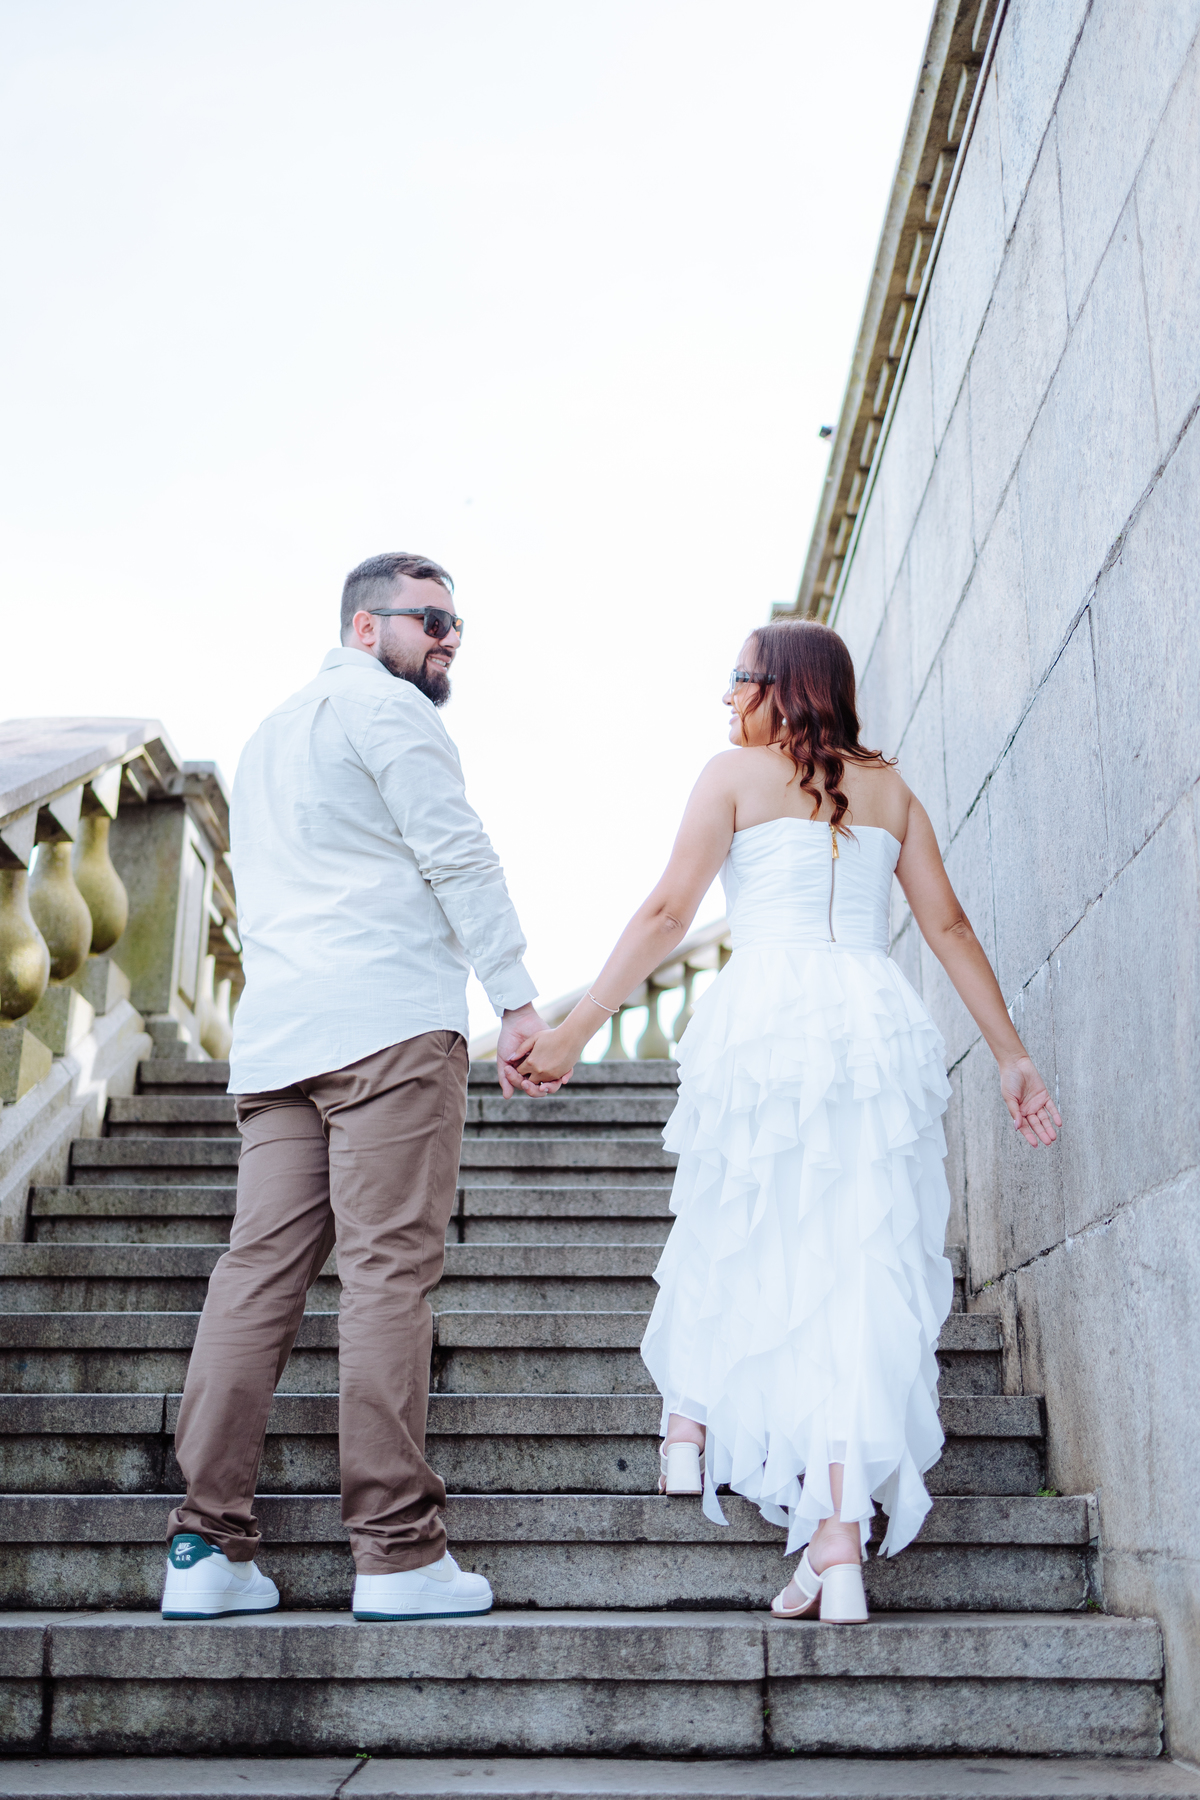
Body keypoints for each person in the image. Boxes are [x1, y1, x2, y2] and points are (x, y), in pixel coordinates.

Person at [518, 618, 1060, 1624]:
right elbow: (948, 927)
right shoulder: (891, 791)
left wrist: (574, 1028)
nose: (726, 699)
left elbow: (668, 913)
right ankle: (837, 1541)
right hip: (869, 1027)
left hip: (765, 1021)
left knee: (746, 1229)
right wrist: (1011, 1056)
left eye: (736, 680)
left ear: (780, 686)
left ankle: (693, 1419)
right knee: (856, 1270)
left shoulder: (732, 775)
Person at [161, 551, 565, 1624]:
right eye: (427, 618)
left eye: (456, 625)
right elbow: (457, 853)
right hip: (386, 1025)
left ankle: (206, 1547)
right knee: (388, 1275)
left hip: (284, 1037)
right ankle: (394, 1556)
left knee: (256, 1276)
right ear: (360, 627)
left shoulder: (268, 737)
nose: (445, 639)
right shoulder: (390, 713)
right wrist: (519, 1006)